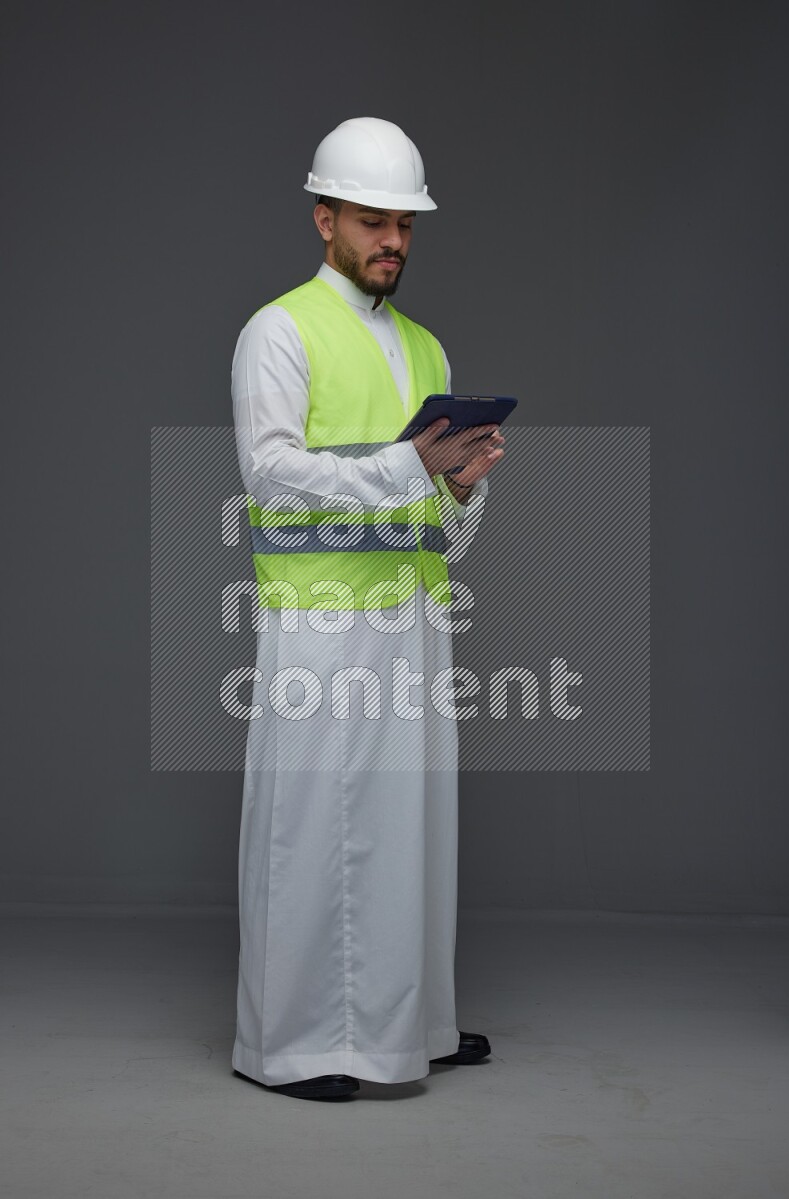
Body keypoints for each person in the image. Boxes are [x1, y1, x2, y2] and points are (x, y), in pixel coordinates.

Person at [230, 117, 505, 1101]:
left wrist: (461, 485)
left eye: (404, 223)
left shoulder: (426, 347)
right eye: (371, 219)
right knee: (314, 830)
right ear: (324, 219)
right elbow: (267, 472)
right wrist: (405, 463)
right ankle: (298, 1043)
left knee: (410, 829)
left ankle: (412, 1024)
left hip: (410, 617)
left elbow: (428, 512)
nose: (391, 238)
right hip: (318, 622)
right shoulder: (278, 330)